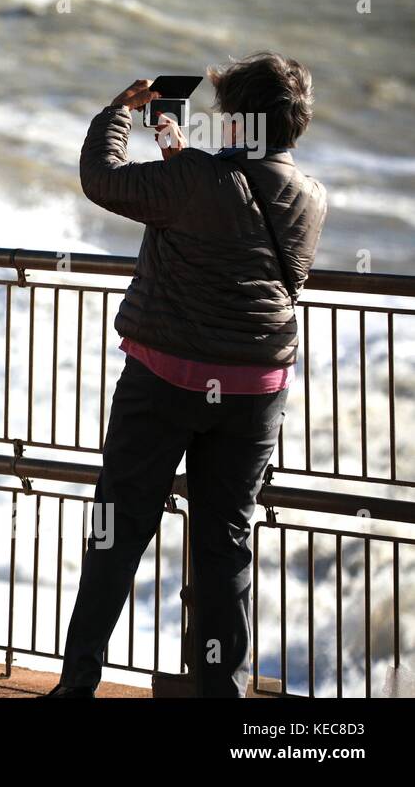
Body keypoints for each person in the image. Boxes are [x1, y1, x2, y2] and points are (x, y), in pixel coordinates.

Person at [46, 52, 327, 697]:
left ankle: (77, 685)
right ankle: (219, 695)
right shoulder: (311, 198)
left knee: (118, 531)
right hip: (256, 394)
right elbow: (225, 204)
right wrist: (175, 144)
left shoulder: (198, 180)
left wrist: (118, 114)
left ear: (239, 121)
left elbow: (104, 179)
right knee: (225, 546)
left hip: (166, 380)